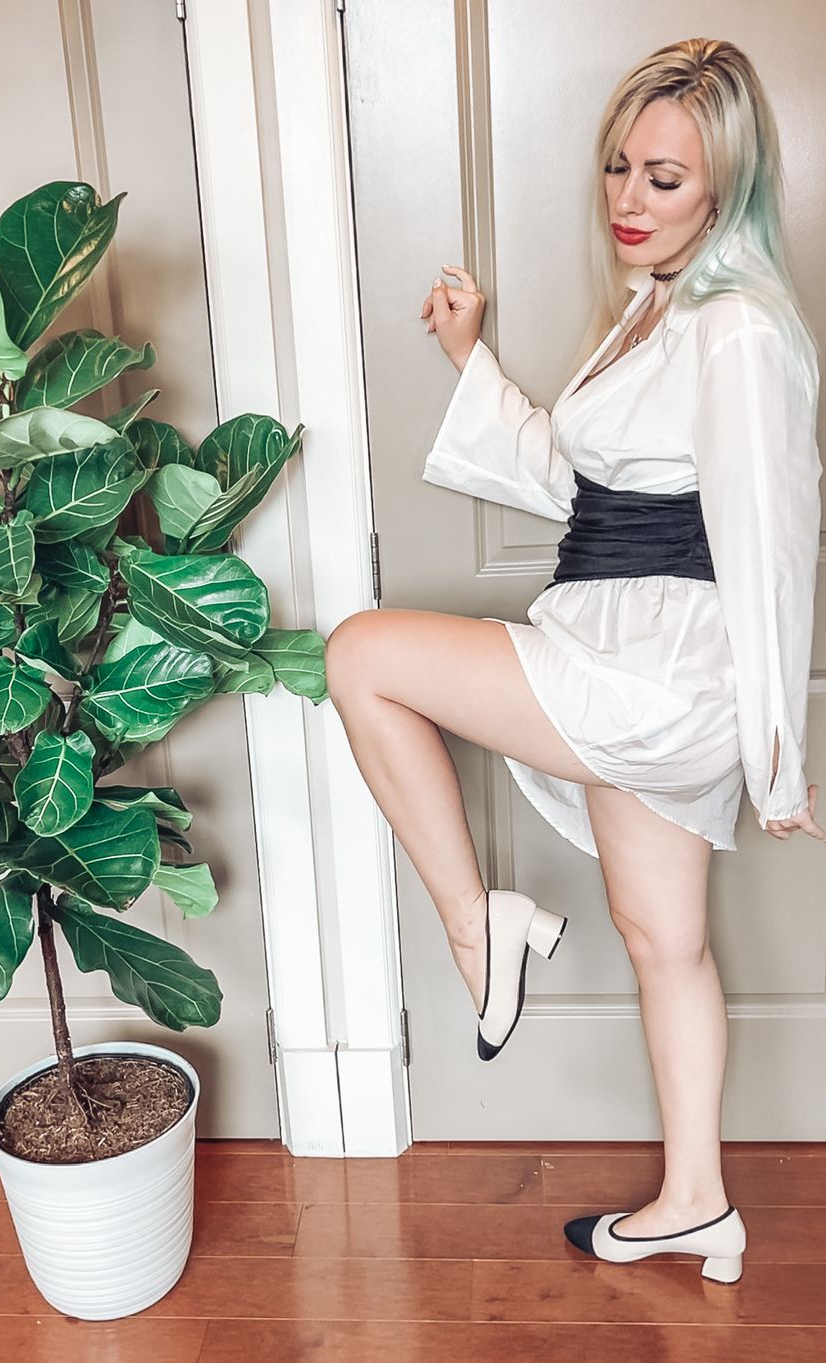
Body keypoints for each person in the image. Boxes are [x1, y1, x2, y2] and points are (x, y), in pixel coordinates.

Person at [323, 37, 825, 1282]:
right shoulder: (658, 309)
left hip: (657, 670)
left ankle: (477, 923)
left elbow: (769, 541)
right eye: (617, 167)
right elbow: (579, 482)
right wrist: (469, 359)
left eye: (664, 177)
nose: (626, 200)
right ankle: (697, 1200)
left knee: (361, 654)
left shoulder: (735, 330)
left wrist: (774, 760)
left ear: (725, 186)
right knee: (664, 939)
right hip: (618, 647)